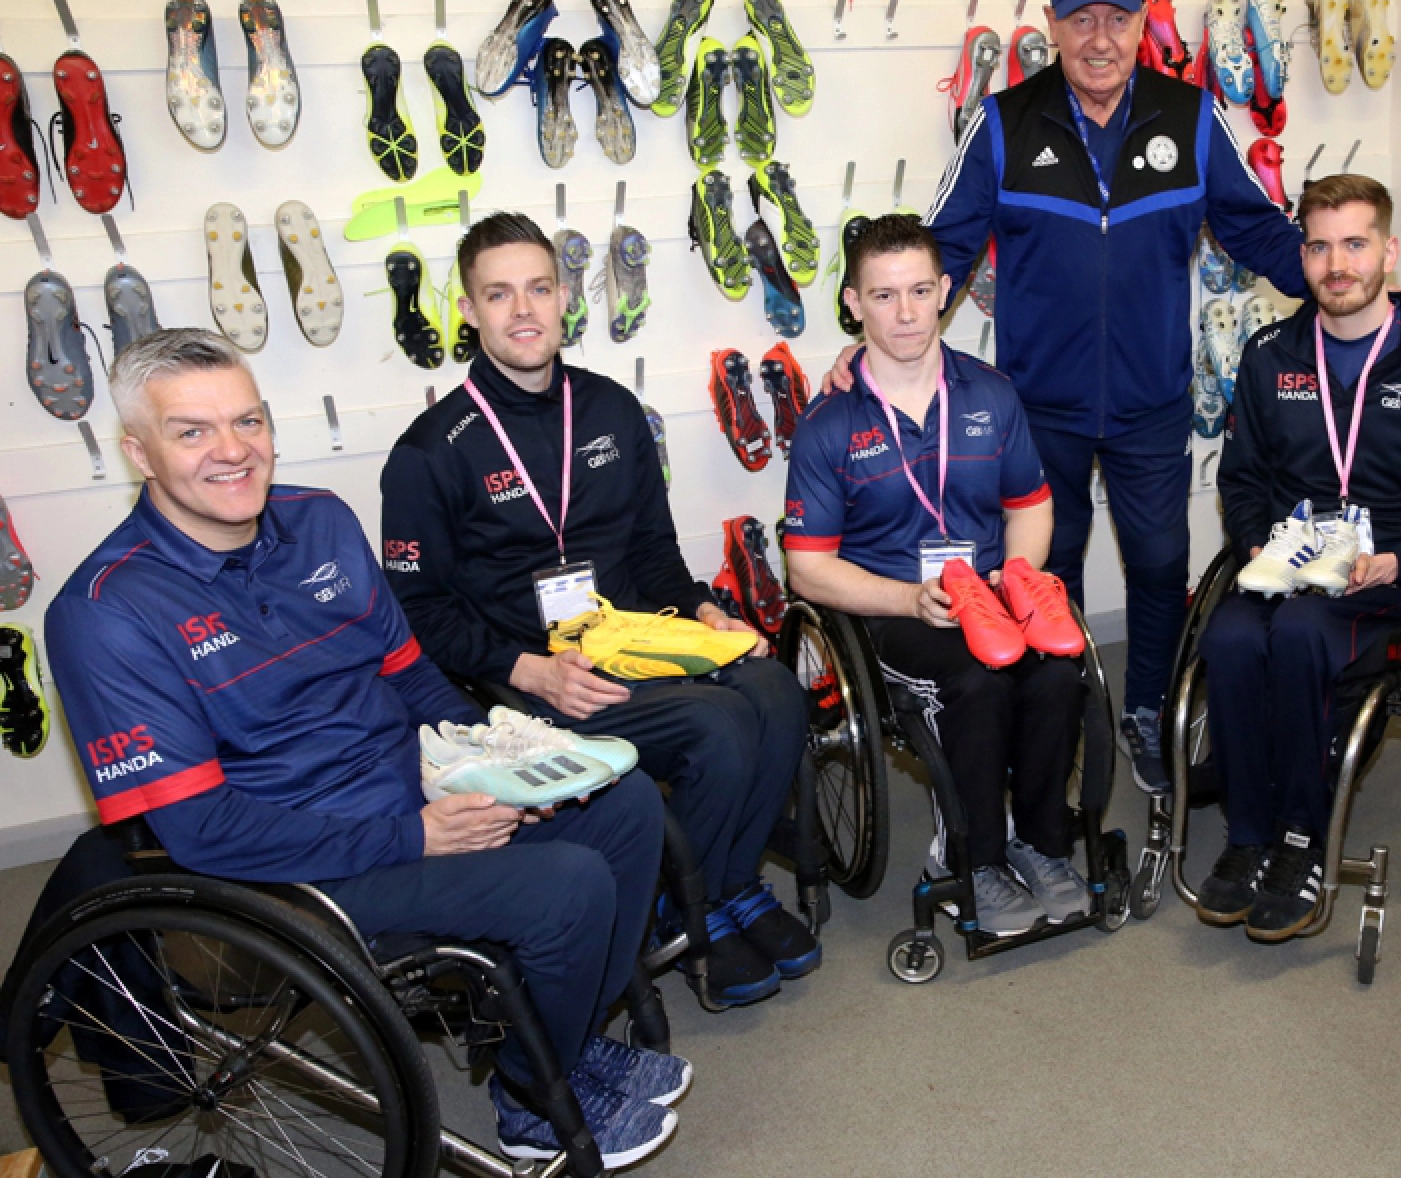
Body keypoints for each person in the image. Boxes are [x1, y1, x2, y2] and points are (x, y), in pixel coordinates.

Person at [44, 329, 684, 1168]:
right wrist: (416, 836)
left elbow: (413, 678)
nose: (233, 451)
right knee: (566, 885)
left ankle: (555, 1045)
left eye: (248, 421)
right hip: (297, 866)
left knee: (626, 805)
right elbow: (203, 828)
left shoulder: (321, 519)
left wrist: (496, 760)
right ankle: (533, 1101)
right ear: (139, 452)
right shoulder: (106, 611)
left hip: (413, 796)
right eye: (192, 431)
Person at [825, 0, 1309, 796]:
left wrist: (1346, 289)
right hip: (1036, 407)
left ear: (1141, 23)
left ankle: (1147, 709)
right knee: (1048, 572)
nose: (1100, 38)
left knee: (1159, 563)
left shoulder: (1193, 117)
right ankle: (1068, 713)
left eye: (1117, 18)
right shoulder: (1003, 122)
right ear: (1052, 25)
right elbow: (943, 250)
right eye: (1081, 19)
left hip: (1153, 402)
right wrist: (873, 334)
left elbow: (1258, 228)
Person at [379, 212, 817, 1008]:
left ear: (564, 297)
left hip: (637, 639)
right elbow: (418, 611)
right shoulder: (428, 451)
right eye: (499, 294)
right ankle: (683, 909)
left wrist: (701, 611)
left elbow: (652, 550)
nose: (523, 311)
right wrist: (529, 672)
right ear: (469, 311)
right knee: (719, 726)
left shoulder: (611, 409)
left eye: (539, 288)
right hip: (535, 679)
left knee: (775, 689)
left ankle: (723, 888)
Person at [1192, 175, 1401, 942]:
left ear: (1389, 253)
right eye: (1319, 247)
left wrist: (1397, 561)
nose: (1337, 265)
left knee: (1303, 635)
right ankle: (1248, 834)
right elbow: (1242, 481)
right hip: (1289, 557)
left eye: (1355, 244)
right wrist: (1258, 542)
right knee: (1227, 636)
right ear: (1301, 257)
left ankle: (1302, 837)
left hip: (1387, 574)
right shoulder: (1270, 355)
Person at [784, 216, 1090, 937]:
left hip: (990, 595)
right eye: (884, 295)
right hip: (893, 611)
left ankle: (1041, 845)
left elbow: (1030, 507)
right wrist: (909, 601)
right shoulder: (828, 424)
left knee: (1058, 671)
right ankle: (970, 860)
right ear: (854, 302)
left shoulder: (991, 392)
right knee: (977, 683)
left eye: (921, 291)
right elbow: (808, 569)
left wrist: (1018, 575)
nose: (907, 313)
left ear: (946, 290)